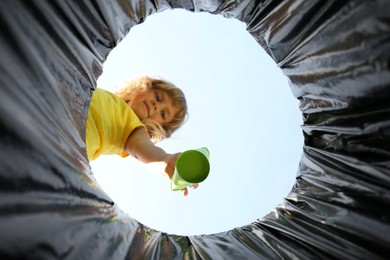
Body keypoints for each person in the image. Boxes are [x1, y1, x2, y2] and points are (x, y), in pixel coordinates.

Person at [86, 76, 198, 196]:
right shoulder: (106, 95)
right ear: (145, 88)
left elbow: (146, 150)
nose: (156, 105)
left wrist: (165, 161)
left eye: (163, 114)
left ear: (159, 128)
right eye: (158, 97)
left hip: (69, 138)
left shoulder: (135, 129)